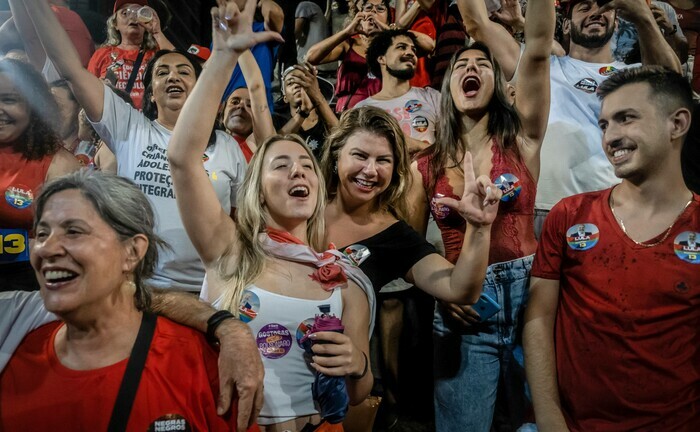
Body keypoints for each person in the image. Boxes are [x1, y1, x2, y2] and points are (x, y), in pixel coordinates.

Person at [168, 2, 373, 430]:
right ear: (256, 190)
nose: (297, 169)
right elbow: (183, 159)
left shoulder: (343, 279)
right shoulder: (229, 250)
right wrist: (224, 55)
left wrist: (358, 364)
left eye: (305, 165)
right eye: (280, 165)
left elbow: (358, 393)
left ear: (318, 190)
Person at [0, 171, 255, 431]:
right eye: (42, 234)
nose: (46, 248)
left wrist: (229, 327)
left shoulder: (198, 364)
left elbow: (141, 297)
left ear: (132, 252)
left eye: (73, 231)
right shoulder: (15, 341)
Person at [25, 0, 248, 293]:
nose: (173, 76)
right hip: (139, 289)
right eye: (162, 72)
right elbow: (70, 69)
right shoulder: (131, 128)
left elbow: (245, 222)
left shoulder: (228, 146)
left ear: (199, 89)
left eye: (184, 71)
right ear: (151, 93)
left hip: (212, 291)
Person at [524, 66, 699, 431]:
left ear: (677, 124)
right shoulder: (569, 215)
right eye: (604, 124)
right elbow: (539, 320)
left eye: (626, 119)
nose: (610, 137)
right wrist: (549, 419)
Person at [412, 0, 554, 429]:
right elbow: (411, 244)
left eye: (482, 64)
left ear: (501, 85)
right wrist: (444, 291)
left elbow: (540, 49)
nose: (470, 67)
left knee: (533, 425)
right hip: (465, 311)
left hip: (534, 304)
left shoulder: (524, 139)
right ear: (448, 87)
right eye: (460, 65)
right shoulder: (424, 164)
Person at [459, 0, 682, 237]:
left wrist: (643, 19)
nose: (596, 13)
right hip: (538, 209)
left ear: (616, 24)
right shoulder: (538, 65)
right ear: (565, 25)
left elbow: (673, 89)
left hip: (610, 211)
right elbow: (477, 24)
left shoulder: (633, 75)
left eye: (604, 9)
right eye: (584, 8)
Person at [0, 58, 80, 293]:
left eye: (9, 100)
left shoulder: (60, 166)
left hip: (30, 293)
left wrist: (17, 246)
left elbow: (72, 242)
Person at [356, 28, 441, 154]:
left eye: (413, 49)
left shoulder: (432, 97)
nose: (410, 53)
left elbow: (453, 148)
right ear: (381, 59)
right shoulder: (362, 109)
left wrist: (417, 146)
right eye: (401, 47)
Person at [87, 0, 174, 108]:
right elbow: (87, 90)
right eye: (125, 13)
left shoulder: (156, 53)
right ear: (115, 24)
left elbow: (178, 61)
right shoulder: (102, 54)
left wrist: (157, 32)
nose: (133, 17)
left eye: (138, 13)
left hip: (147, 120)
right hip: (114, 118)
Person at [274, 63, 338, 160]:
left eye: (303, 80)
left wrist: (318, 98)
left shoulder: (329, 120)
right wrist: (303, 112)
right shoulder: (277, 121)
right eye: (290, 83)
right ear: (285, 98)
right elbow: (275, 147)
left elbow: (343, 140)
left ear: (316, 89)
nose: (297, 85)